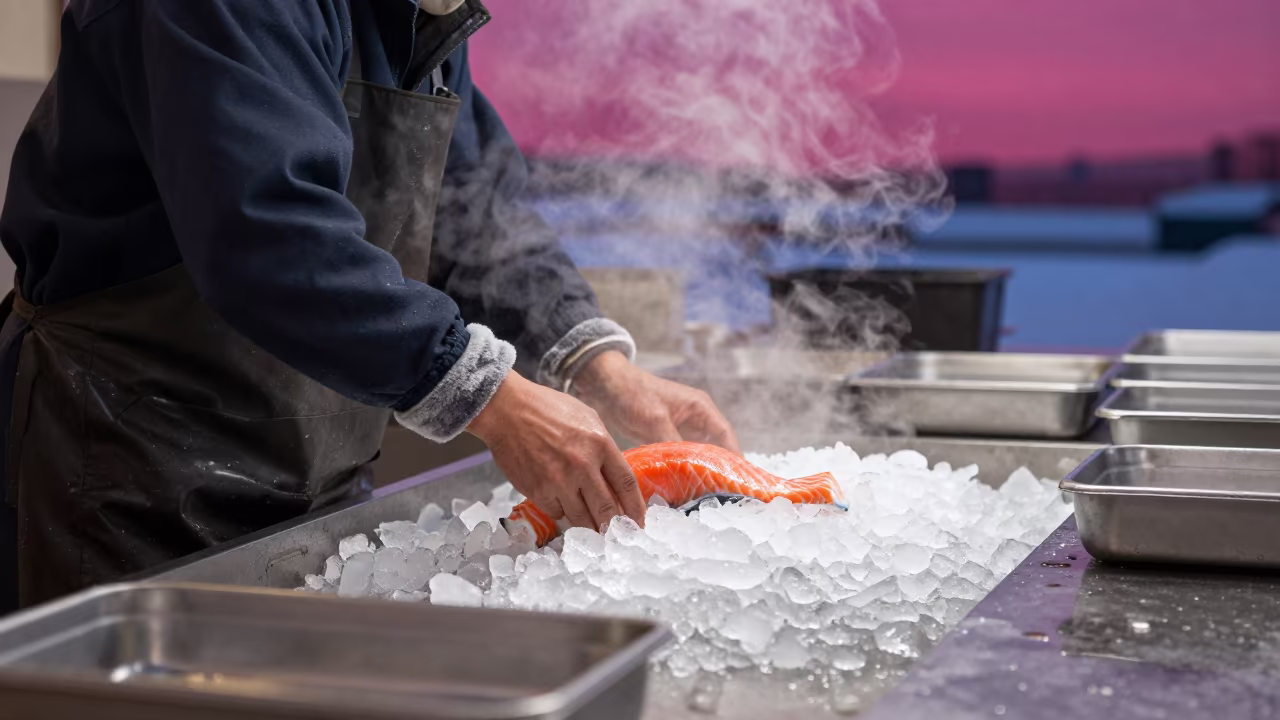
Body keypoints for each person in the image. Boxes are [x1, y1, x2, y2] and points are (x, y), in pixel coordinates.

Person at [0, 0, 739, 612]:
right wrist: (492, 398)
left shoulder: (419, 16)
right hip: (131, 467)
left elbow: (475, 216)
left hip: (315, 479)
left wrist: (596, 366)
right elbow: (270, 238)